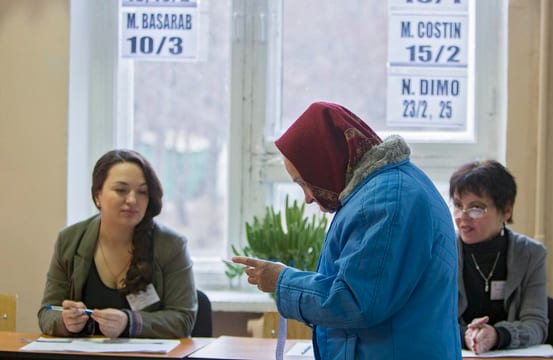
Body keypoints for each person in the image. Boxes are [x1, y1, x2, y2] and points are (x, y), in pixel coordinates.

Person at [232, 102, 461, 359]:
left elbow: (358, 301)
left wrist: (282, 281)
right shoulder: (383, 189)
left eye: (303, 182)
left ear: (324, 163)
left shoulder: (386, 200)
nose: (307, 197)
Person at [38, 149, 197, 338]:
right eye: (121, 190)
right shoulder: (70, 240)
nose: (132, 200)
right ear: (98, 195)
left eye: (142, 192)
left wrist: (129, 322)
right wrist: (66, 321)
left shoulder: (171, 245)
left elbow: (183, 319)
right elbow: (46, 314)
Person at [449, 160, 548, 354]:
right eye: (458, 205)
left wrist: (496, 335)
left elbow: (536, 325)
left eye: (476, 207)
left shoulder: (531, 254)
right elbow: (432, 321)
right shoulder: (443, 251)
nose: (463, 216)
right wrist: (467, 336)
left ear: (506, 210)